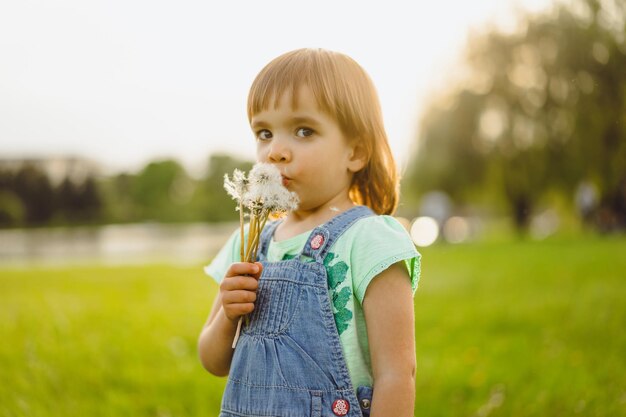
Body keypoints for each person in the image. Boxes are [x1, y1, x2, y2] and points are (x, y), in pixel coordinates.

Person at [198, 48, 421, 417]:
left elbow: (397, 374)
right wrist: (227, 315)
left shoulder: (369, 240)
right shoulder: (249, 243)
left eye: (304, 130)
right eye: (264, 133)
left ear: (356, 151)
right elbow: (212, 360)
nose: (276, 151)